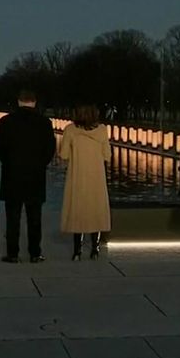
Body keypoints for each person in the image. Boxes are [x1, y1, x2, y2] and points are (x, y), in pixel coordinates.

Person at [0, 89, 57, 263]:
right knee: (35, 217)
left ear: (19, 101)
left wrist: (8, 163)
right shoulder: (45, 123)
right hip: (35, 175)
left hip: (12, 174)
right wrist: (40, 164)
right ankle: (35, 253)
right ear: (34, 102)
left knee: (12, 218)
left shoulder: (6, 121)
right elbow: (50, 149)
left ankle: (13, 254)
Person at [59, 105, 111, 261]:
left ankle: (77, 251)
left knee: (78, 210)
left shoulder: (70, 130)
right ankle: (95, 249)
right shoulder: (102, 130)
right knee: (96, 210)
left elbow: (63, 154)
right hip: (96, 177)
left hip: (77, 175)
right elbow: (107, 155)